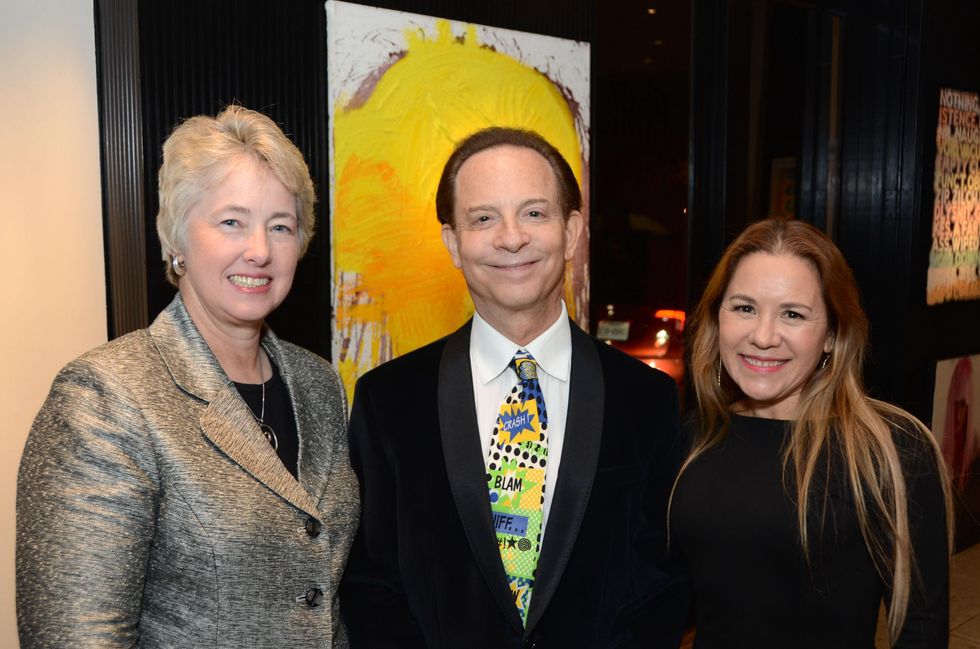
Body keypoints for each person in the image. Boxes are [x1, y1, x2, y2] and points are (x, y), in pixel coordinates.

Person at [16, 105, 358, 647]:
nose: (260, 250)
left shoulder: (320, 385)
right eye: (231, 222)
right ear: (177, 238)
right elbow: (79, 634)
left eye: (280, 226)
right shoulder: (106, 396)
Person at [340, 127, 686, 648]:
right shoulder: (388, 402)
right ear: (453, 243)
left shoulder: (646, 400)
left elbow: (661, 583)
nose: (511, 237)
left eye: (534, 213)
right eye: (483, 218)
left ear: (571, 231)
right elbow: (372, 585)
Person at [670, 218, 953, 648]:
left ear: (832, 335)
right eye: (744, 308)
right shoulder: (691, 438)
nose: (763, 336)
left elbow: (923, 627)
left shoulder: (891, 448)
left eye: (793, 314)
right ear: (717, 318)